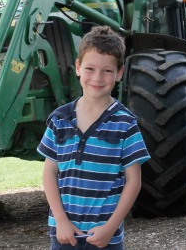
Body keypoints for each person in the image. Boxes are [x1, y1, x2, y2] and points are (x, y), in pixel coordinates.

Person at [37, 25, 150, 249]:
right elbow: (50, 172)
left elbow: (133, 181)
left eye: (107, 71)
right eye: (90, 68)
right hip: (64, 234)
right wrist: (61, 221)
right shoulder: (59, 119)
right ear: (78, 67)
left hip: (105, 237)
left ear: (119, 73)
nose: (97, 77)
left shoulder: (126, 123)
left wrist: (110, 227)